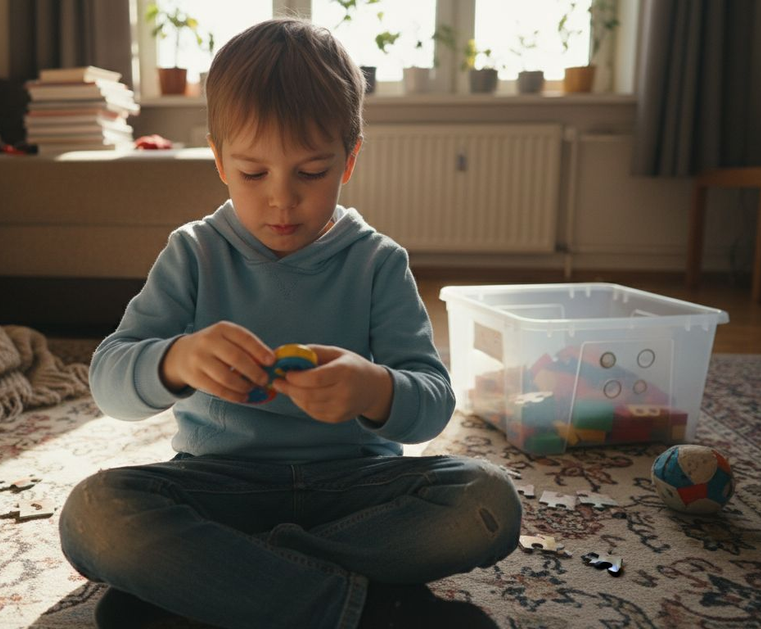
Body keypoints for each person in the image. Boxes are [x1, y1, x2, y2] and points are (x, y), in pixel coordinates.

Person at [59, 17, 521, 629]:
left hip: (357, 490)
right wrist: (175, 360)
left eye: (311, 173)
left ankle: (215, 587)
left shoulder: (377, 262)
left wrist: (374, 389)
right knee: (93, 514)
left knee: (487, 501)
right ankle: (372, 611)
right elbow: (108, 382)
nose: (282, 198)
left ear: (348, 162)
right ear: (220, 161)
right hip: (220, 486)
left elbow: (434, 402)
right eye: (254, 174)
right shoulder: (193, 253)